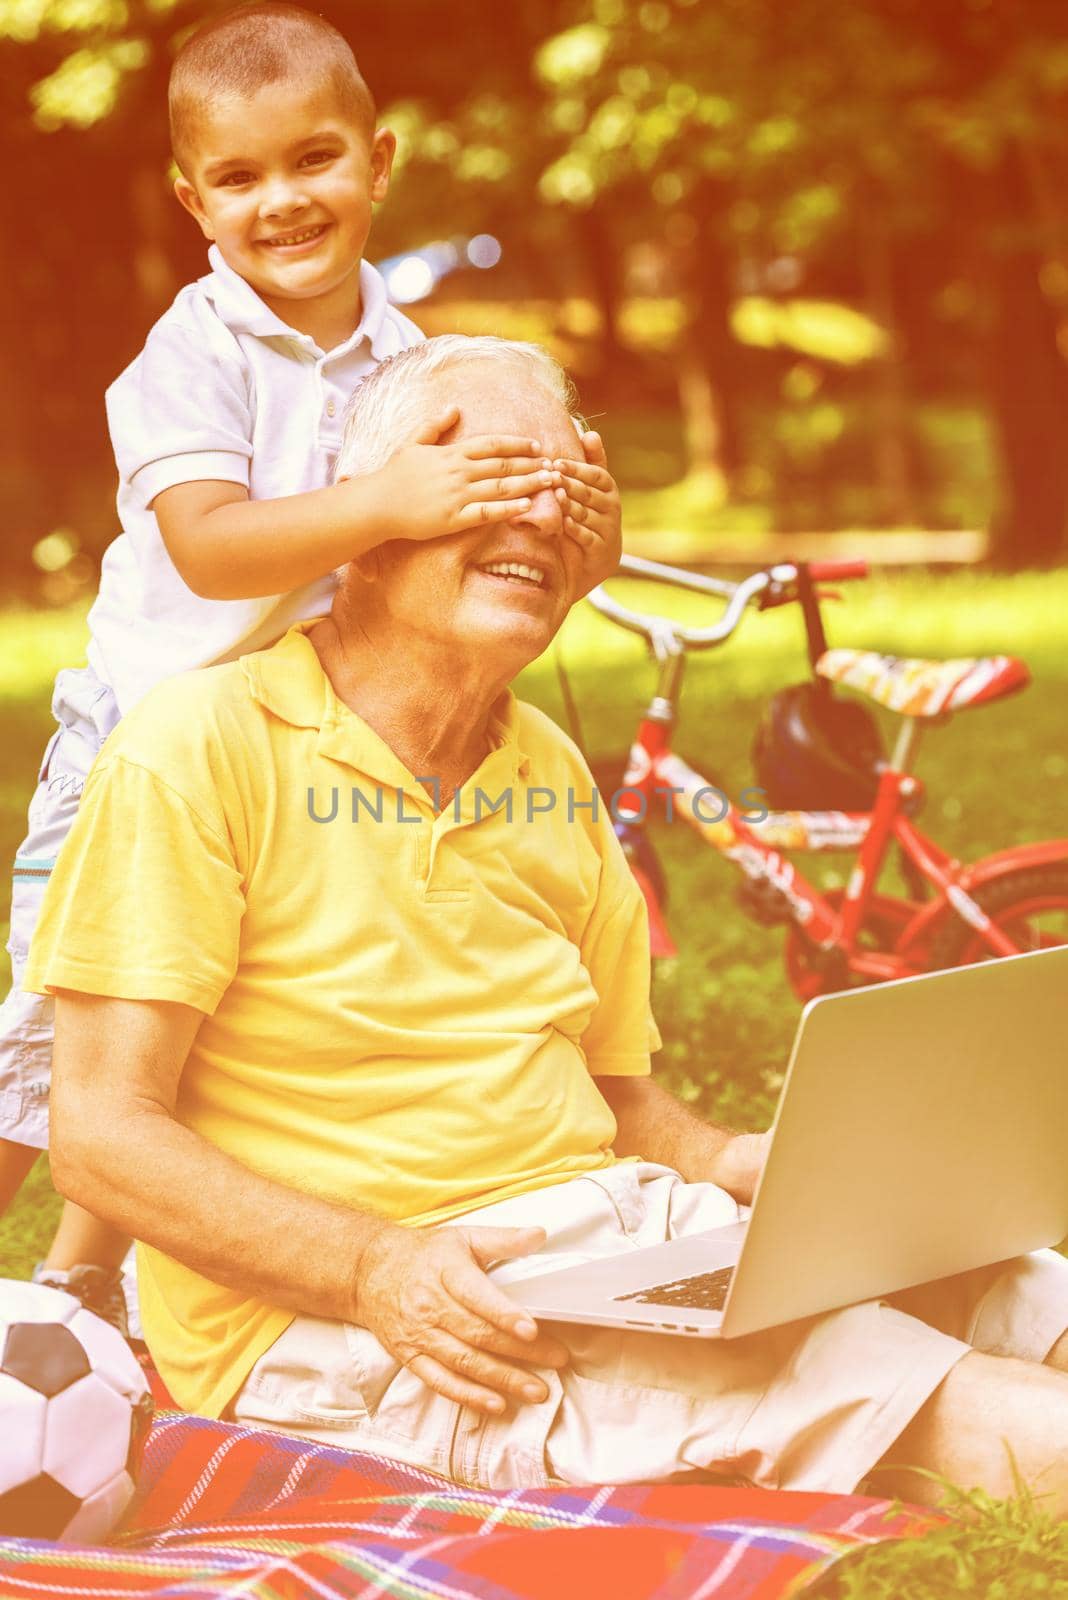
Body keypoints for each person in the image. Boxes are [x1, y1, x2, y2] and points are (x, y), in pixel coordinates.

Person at [25, 335, 1068, 1510]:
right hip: (379, 1316)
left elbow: (613, 1093)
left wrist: (731, 1166)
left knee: (1018, 1284)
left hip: (616, 1240)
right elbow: (102, 1133)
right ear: (367, 516)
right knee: (878, 1380)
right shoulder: (194, 748)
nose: (535, 521)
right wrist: (375, 1266)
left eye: (564, 493)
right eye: (489, 482)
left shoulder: (547, 766)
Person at [0, 3, 621, 1330]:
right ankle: (39, 1272)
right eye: (239, 177)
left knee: (203, 1021)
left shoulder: (413, 360)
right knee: (51, 1046)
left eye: (315, 159)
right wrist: (398, 496)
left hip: (296, 745)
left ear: (379, 164)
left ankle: (83, 1291)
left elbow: (472, 555)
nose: (282, 199)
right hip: (138, 745)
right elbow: (215, 552)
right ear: (193, 201)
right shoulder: (192, 356)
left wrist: (579, 530)